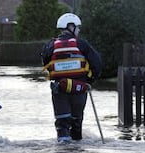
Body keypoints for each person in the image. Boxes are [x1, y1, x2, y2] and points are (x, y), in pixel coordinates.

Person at [41, 13, 103, 142]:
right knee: (76, 123)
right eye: (77, 27)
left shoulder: (50, 46)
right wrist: (90, 81)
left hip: (59, 90)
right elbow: (97, 64)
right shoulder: (81, 44)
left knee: (62, 123)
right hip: (79, 89)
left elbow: (46, 63)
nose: (79, 30)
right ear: (71, 26)